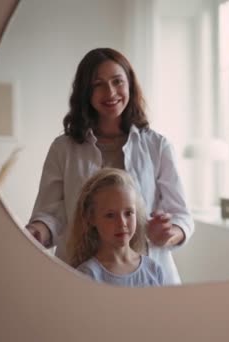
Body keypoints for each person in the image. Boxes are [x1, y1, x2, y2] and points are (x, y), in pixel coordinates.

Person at [25, 47, 193, 285]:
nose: (110, 92)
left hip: (149, 281)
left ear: (130, 86)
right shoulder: (64, 148)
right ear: (85, 92)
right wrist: (35, 233)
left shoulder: (158, 146)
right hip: (79, 278)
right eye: (98, 85)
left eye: (117, 82)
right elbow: (50, 214)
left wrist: (168, 234)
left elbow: (182, 216)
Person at [68, 168, 163, 287]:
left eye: (128, 213)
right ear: (91, 218)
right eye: (110, 215)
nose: (122, 223)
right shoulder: (87, 274)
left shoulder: (153, 269)